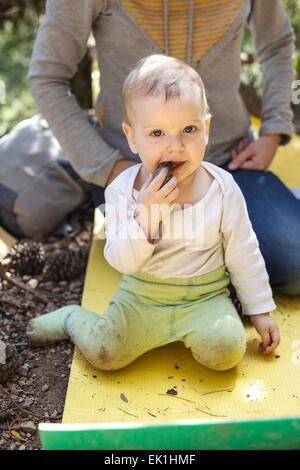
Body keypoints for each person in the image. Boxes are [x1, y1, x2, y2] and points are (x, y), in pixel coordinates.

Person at [1, 0, 299, 296]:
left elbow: (277, 45)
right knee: (158, 268)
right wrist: (109, 168)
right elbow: (47, 78)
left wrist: (273, 130)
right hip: (130, 170)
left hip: (229, 163)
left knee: (294, 264)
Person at [27, 55, 280, 372]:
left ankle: (207, 330)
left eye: (189, 129)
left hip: (204, 297)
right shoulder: (122, 190)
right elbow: (120, 259)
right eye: (157, 133)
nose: (174, 147)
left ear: (206, 129)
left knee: (227, 350)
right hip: (142, 299)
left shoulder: (222, 187)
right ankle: (71, 318)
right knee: (105, 353)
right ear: (132, 137)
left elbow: (244, 251)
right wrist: (145, 219)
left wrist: (259, 311)